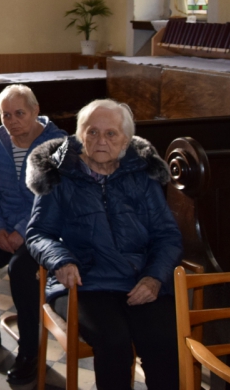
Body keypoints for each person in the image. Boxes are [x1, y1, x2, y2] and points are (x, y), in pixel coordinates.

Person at [26, 99, 183, 390]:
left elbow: (167, 235)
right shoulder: (59, 175)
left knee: (163, 340)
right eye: (93, 132)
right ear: (80, 135)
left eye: (111, 133)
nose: (101, 140)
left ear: (126, 139)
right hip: (85, 283)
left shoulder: (141, 174)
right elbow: (38, 233)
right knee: (114, 342)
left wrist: (154, 277)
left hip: (140, 279)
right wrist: (61, 260)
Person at [0, 85, 66, 384]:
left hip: (45, 230)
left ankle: (30, 352)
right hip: (5, 228)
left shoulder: (58, 146)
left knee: (21, 270)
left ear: (35, 111)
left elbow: (51, 197)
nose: (12, 121)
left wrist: (21, 232)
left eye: (19, 113)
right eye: (5, 115)